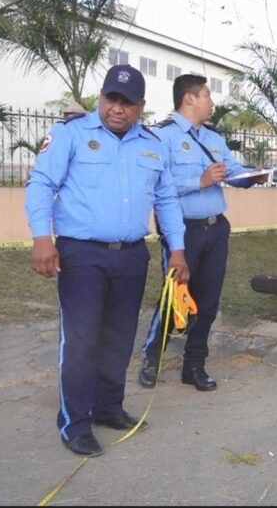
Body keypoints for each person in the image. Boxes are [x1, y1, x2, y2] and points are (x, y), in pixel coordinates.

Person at [24, 64, 190, 457]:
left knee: (119, 337)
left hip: (132, 255)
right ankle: (75, 423)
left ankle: (109, 408)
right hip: (81, 254)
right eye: (111, 99)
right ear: (101, 98)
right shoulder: (71, 135)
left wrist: (178, 248)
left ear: (141, 107)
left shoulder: (151, 144)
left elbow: (166, 199)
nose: (118, 108)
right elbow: (41, 184)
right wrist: (41, 238)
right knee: (81, 340)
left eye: (127, 102)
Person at [138, 74, 268, 392]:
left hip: (215, 229)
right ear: (190, 98)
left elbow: (232, 171)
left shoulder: (212, 138)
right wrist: (200, 180)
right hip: (182, 232)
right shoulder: (161, 137)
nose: (212, 101)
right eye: (208, 94)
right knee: (175, 297)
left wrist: (252, 176)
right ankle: (151, 359)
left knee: (207, 302)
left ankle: (194, 366)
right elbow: (155, 185)